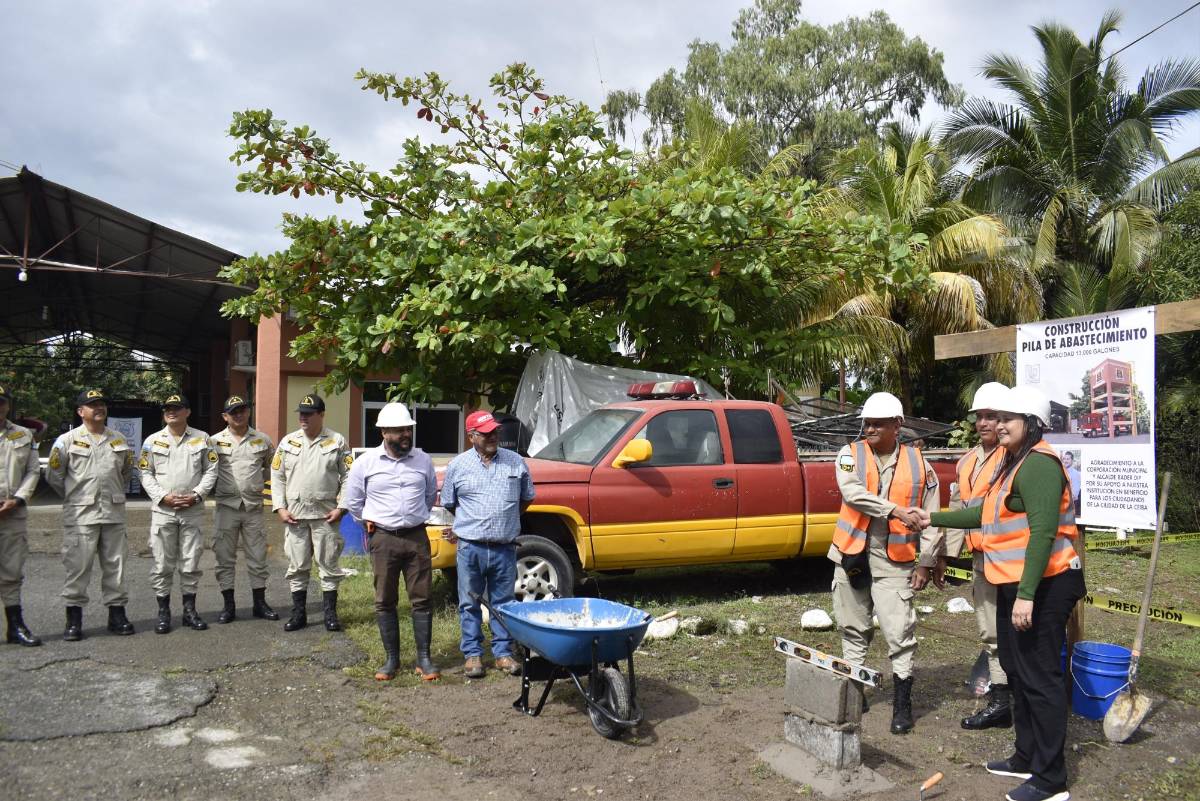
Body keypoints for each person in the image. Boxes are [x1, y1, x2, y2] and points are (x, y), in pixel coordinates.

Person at [922, 385, 1084, 801]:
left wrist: (1027, 595)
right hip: (1014, 583)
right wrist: (931, 518)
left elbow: (1043, 533)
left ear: (1031, 423)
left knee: (1040, 677)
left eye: (1009, 419)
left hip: (1045, 585)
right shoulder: (1014, 463)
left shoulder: (1040, 464)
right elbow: (985, 513)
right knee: (1017, 669)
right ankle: (1026, 756)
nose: (999, 424)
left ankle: (1051, 779)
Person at [829, 391, 943, 735]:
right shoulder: (848, 455)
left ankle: (902, 705)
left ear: (897, 425)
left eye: (878, 424)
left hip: (895, 560)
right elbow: (852, 493)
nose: (870, 429)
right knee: (853, 627)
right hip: (851, 554)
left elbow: (933, 517)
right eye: (867, 423)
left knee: (900, 633)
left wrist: (926, 561)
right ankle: (854, 693)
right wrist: (894, 510)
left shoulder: (920, 465)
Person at [340, 402, 440, 680]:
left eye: (408, 429)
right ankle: (392, 660)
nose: (406, 435)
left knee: (422, 598)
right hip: (383, 539)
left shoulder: (423, 460)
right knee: (384, 599)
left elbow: (430, 496)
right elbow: (354, 502)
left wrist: (412, 518)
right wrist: (372, 524)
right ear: (384, 432)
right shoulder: (365, 463)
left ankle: (424, 659)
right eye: (399, 430)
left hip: (417, 537)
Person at [441, 410, 534, 678]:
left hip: (505, 547)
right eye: (485, 433)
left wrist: (506, 520)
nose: (493, 436)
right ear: (471, 436)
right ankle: (472, 655)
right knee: (469, 602)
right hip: (470, 547)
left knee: (503, 603)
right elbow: (449, 502)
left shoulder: (515, 462)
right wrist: (473, 523)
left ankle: (503, 653)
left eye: (495, 431)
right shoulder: (458, 465)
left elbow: (527, 497)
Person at [942, 382, 1012, 730]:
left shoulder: (1013, 457)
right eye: (980, 416)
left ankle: (1018, 697)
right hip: (982, 559)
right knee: (991, 630)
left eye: (992, 416)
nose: (984, 423)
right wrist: (946, 555)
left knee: (1017, 630)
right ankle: (1002, 702)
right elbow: (959, 507)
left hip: (1012, 559)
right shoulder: (967, 461)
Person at [45, 388, 136, 640]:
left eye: (101, 404)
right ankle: (73, 620)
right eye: (92, 404)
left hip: (113, 514)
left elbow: (126, 472)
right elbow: (54, 475)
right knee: (77, 567)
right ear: (80, 411)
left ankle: (117, 615)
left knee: (116, 567)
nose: (99, 408)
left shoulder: (119, 439)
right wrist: (76, 496)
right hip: (81, 516)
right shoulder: (67, 441)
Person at [271, 393, 352, 632]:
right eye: (301, 414)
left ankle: (330, 614)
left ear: (321, 414)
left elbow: (349, 476)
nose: (303, 418)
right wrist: (280, 507)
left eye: (308, 414)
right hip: (295, 515)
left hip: (326, 515)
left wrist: (342, 507)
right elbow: (277, 476)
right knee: (297, 566)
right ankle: (299, 614)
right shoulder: (288, 442)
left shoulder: (337, 441)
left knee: (328, 565)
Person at [140, 393, 219, 634]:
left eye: (176, 408)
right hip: (163, 511)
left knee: (190, 562)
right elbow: (145, 472)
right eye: (167, 409)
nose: (171, 412)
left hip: (192, 510)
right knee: (162, 564)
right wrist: (162, 496)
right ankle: (163, 612)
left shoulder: (202, 438)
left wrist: (197, 494)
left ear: (188, 412)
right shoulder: (152, 440)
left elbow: (212, 469)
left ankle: (189, 612)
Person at [210, 395, 278, 623]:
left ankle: (260, 603)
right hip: (226, 508)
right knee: (224, 558)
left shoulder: (262, 440)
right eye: (233, 412)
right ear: (225, 416)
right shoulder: (213, 442)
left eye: (242, 410)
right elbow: (207, 470)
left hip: (253, 508)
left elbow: (271, 469)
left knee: (258, 557)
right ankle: (228, 606)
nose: (238, 415)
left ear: (248, 412)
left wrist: (255, 485)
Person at [0, 385, 44, 646]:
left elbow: (33, 471)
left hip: (12, 512)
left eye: (1, 402)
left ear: (7, 405)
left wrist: (18, 499)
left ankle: (15, 626)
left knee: (12, 570)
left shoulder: (24, 434)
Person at [1061, 451, 1081, 517]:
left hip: (1070, 507)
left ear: (1072, 461)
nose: (1065, 461)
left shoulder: (1075, 474)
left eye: (1068, 459)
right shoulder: (1061, 472)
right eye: (1064, 459)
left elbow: (1075, 494)